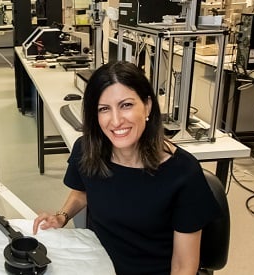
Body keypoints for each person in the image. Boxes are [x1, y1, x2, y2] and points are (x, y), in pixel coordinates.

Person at [33, 61, 220, 275]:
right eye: (104, 109)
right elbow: (82, 191)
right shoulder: (87, 149)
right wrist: (61, 217)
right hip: (97, 266)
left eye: (126, 105)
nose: (116, 121)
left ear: (147, 106)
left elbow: (183, 266)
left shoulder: (182, 173)